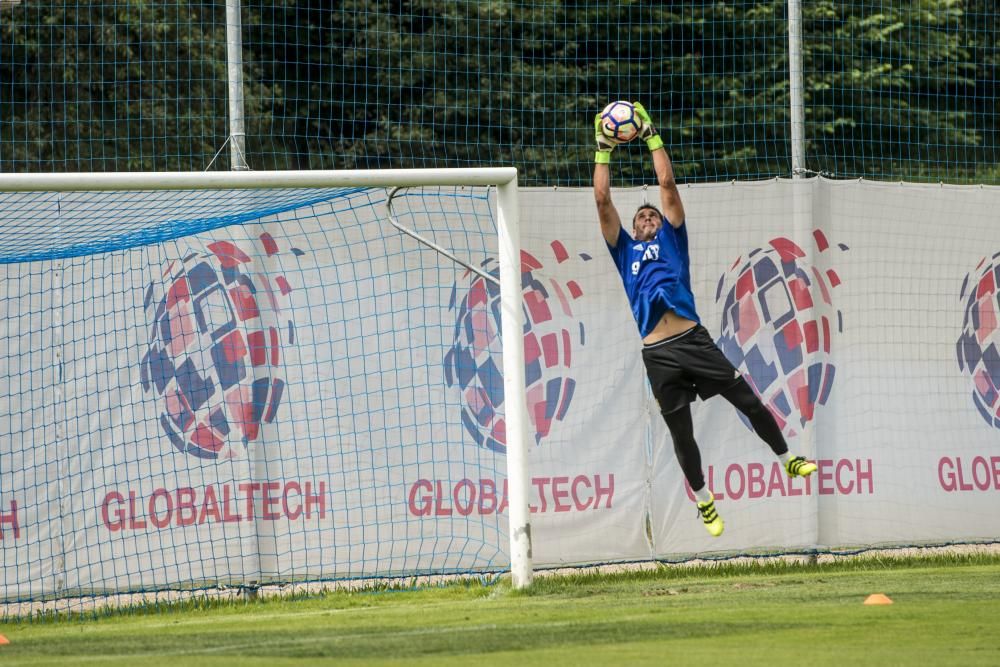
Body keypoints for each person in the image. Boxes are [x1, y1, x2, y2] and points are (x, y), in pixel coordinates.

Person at [593, 102, 817, 537]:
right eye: (641, 216)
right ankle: (703, 499)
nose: (647, 217)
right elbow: (602, 199)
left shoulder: (674, 240)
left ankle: (786, 458)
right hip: (657, 354)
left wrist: (651, 132)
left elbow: (667, 183)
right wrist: (603, 148)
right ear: (633, 228)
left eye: (652, 214)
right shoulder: (624, 251)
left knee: (747, 400)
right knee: (682, 435)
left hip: (693, 340)